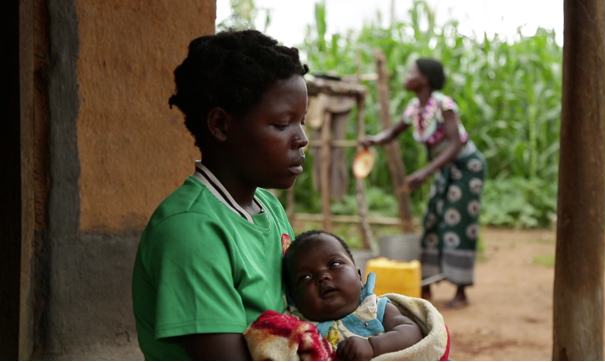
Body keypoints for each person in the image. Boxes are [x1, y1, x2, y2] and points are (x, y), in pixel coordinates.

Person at [131, 29, 309, 360]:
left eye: (302, 121)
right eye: (284, 124)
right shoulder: (191, 230)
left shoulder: (268, 208)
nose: (302, 138)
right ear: (221, 125)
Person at [360, 58, 486, 309]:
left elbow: (455, 143)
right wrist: (373, 140)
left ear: (425, 79)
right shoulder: (414, 108)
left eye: (412, 72)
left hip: (466, 167)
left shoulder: (443, 104)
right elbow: (393, 132)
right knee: (431, 219)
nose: (406, 76)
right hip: (442, 168)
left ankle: (461, 290)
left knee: (458, 222)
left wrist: (424, 173)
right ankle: (426, 283)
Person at [282, 230, 424, 361]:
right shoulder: (296, 328)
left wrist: (372, 347)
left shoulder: (375, 308)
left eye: (334, 264)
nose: (322, 277)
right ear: (292, 296)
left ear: (358, 275)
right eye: (306, 277)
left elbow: (412, 332)